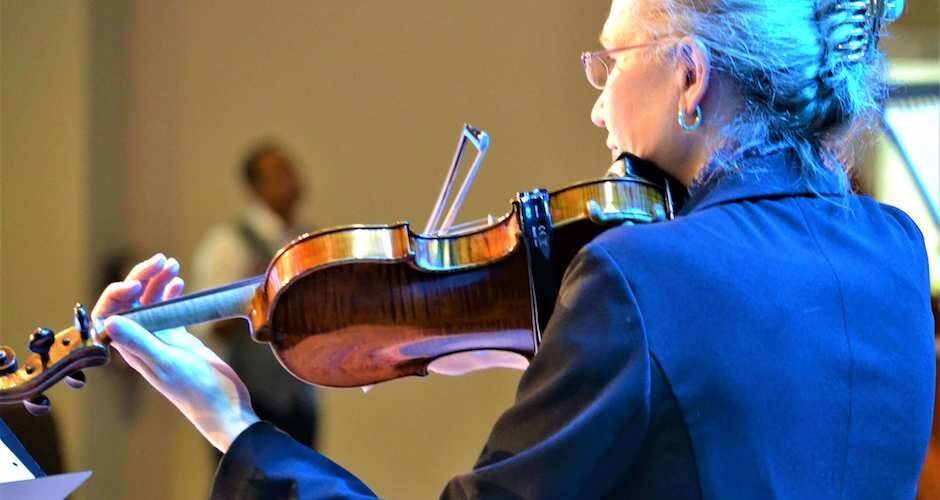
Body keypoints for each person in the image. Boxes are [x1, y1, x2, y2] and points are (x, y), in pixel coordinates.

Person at [91, 0, 934, 498]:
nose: (597, 107)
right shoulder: (895, 253)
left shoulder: (643, 277)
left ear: (690, 77)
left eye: (610, 62)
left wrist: (231, 423)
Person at [190, 142, 319, 450]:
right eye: (278, 173)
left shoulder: (310, 242)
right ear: (254, 188)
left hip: (299, 400)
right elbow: (209, 326)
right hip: (243, 404)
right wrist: (251, 290)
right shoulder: (228, 243)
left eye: (291, 169)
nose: (291, 179)